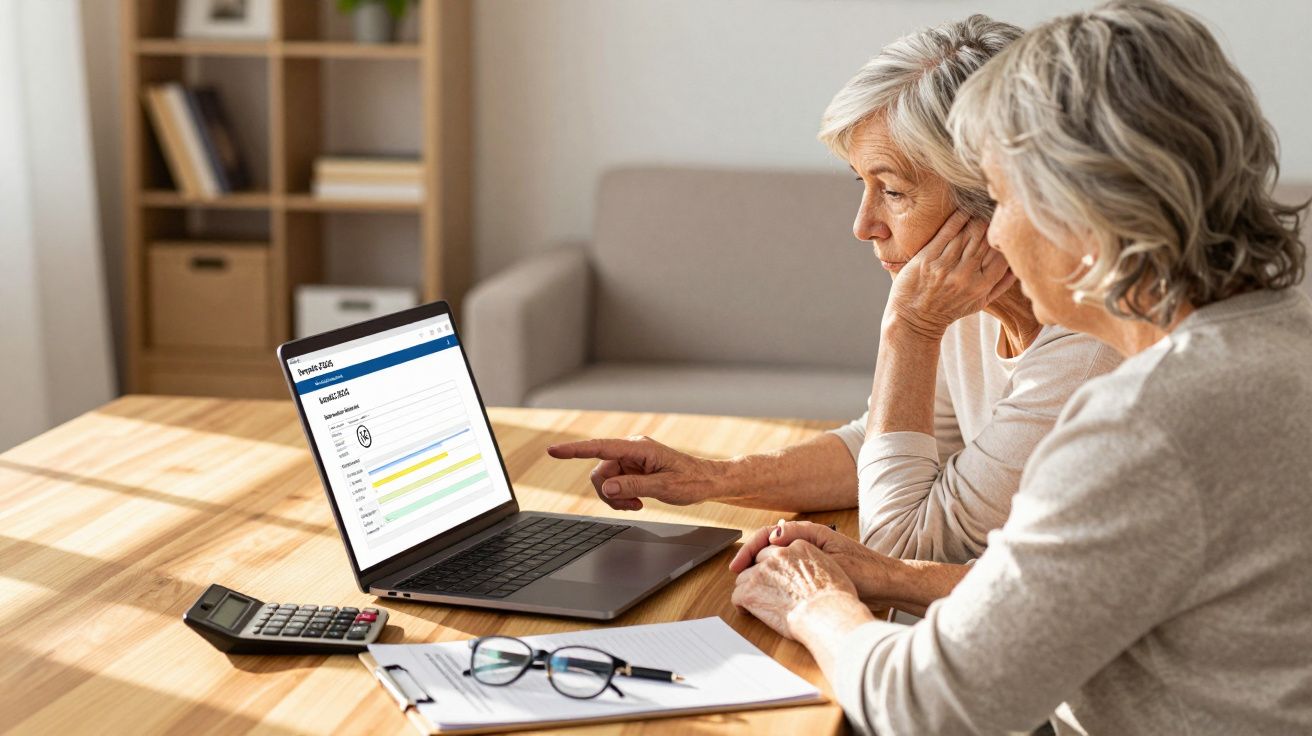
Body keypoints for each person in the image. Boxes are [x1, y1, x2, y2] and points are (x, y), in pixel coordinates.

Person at [730, 1, 1312, 732]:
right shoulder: (1281, 332)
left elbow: (929, 703)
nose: (995, 231)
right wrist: (888, 575)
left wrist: (816, 605)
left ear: (1085, 210)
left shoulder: (1143, 424)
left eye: (1001, 198)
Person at [548, 15, 1120, 566]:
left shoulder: (1084, 354)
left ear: (992, 192)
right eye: (863, 185)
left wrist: (909, 331)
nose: (863, 224)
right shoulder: (970, 297)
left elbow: (906, 546)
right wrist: (709, 477)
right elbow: (887, 453)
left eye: (891, 191)